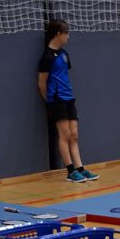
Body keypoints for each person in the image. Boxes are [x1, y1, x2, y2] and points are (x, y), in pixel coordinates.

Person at [38, 19, 98, 183]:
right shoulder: (47, 57)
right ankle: (71, 171)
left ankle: (80, 168)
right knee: (64, 135)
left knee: (74, 135)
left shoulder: (64, 54)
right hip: (57, 100)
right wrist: (50, 102)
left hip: (69, 98)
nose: (68, 37)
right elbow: (42, 84)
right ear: (58, 34)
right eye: (66, 33)